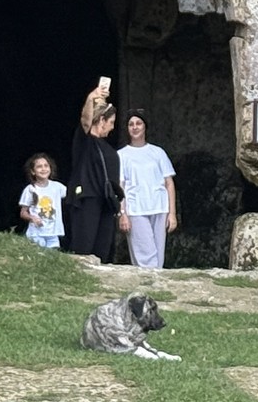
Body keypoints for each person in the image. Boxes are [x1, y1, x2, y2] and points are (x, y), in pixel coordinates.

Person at [66, 79, 124, 264]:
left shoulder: (108, 148)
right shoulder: (85, 141)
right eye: (111, 122)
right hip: (87, 197)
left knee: (103, 249)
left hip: (106, 201)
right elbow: (85, 121)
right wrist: (92, 97)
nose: (113, 127)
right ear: (101, 120)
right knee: (84, 246)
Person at [116, 111, 179, 270]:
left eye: (138, 123)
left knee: (158, 254)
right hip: (136, 209)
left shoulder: (158, 152)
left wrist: (172, 213)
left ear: (145, 127)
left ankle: (156, 282)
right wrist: (123, 214)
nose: (135, 127)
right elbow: (120, 186)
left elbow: (169, 183)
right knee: (145, 255)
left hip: (159, 207)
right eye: (131, 124)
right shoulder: (121, 155)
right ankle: (149, 281)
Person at [18, 154, 65, 251]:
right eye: (39, 167)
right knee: (39, 255)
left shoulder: (58, 187)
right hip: (36, 233)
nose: (43, 169)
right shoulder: (30, 189)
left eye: (46, 166)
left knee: (53, 257)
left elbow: (72, 196)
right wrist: (32, 218)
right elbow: (23, 212)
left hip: (53, 233)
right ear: (33, 171)